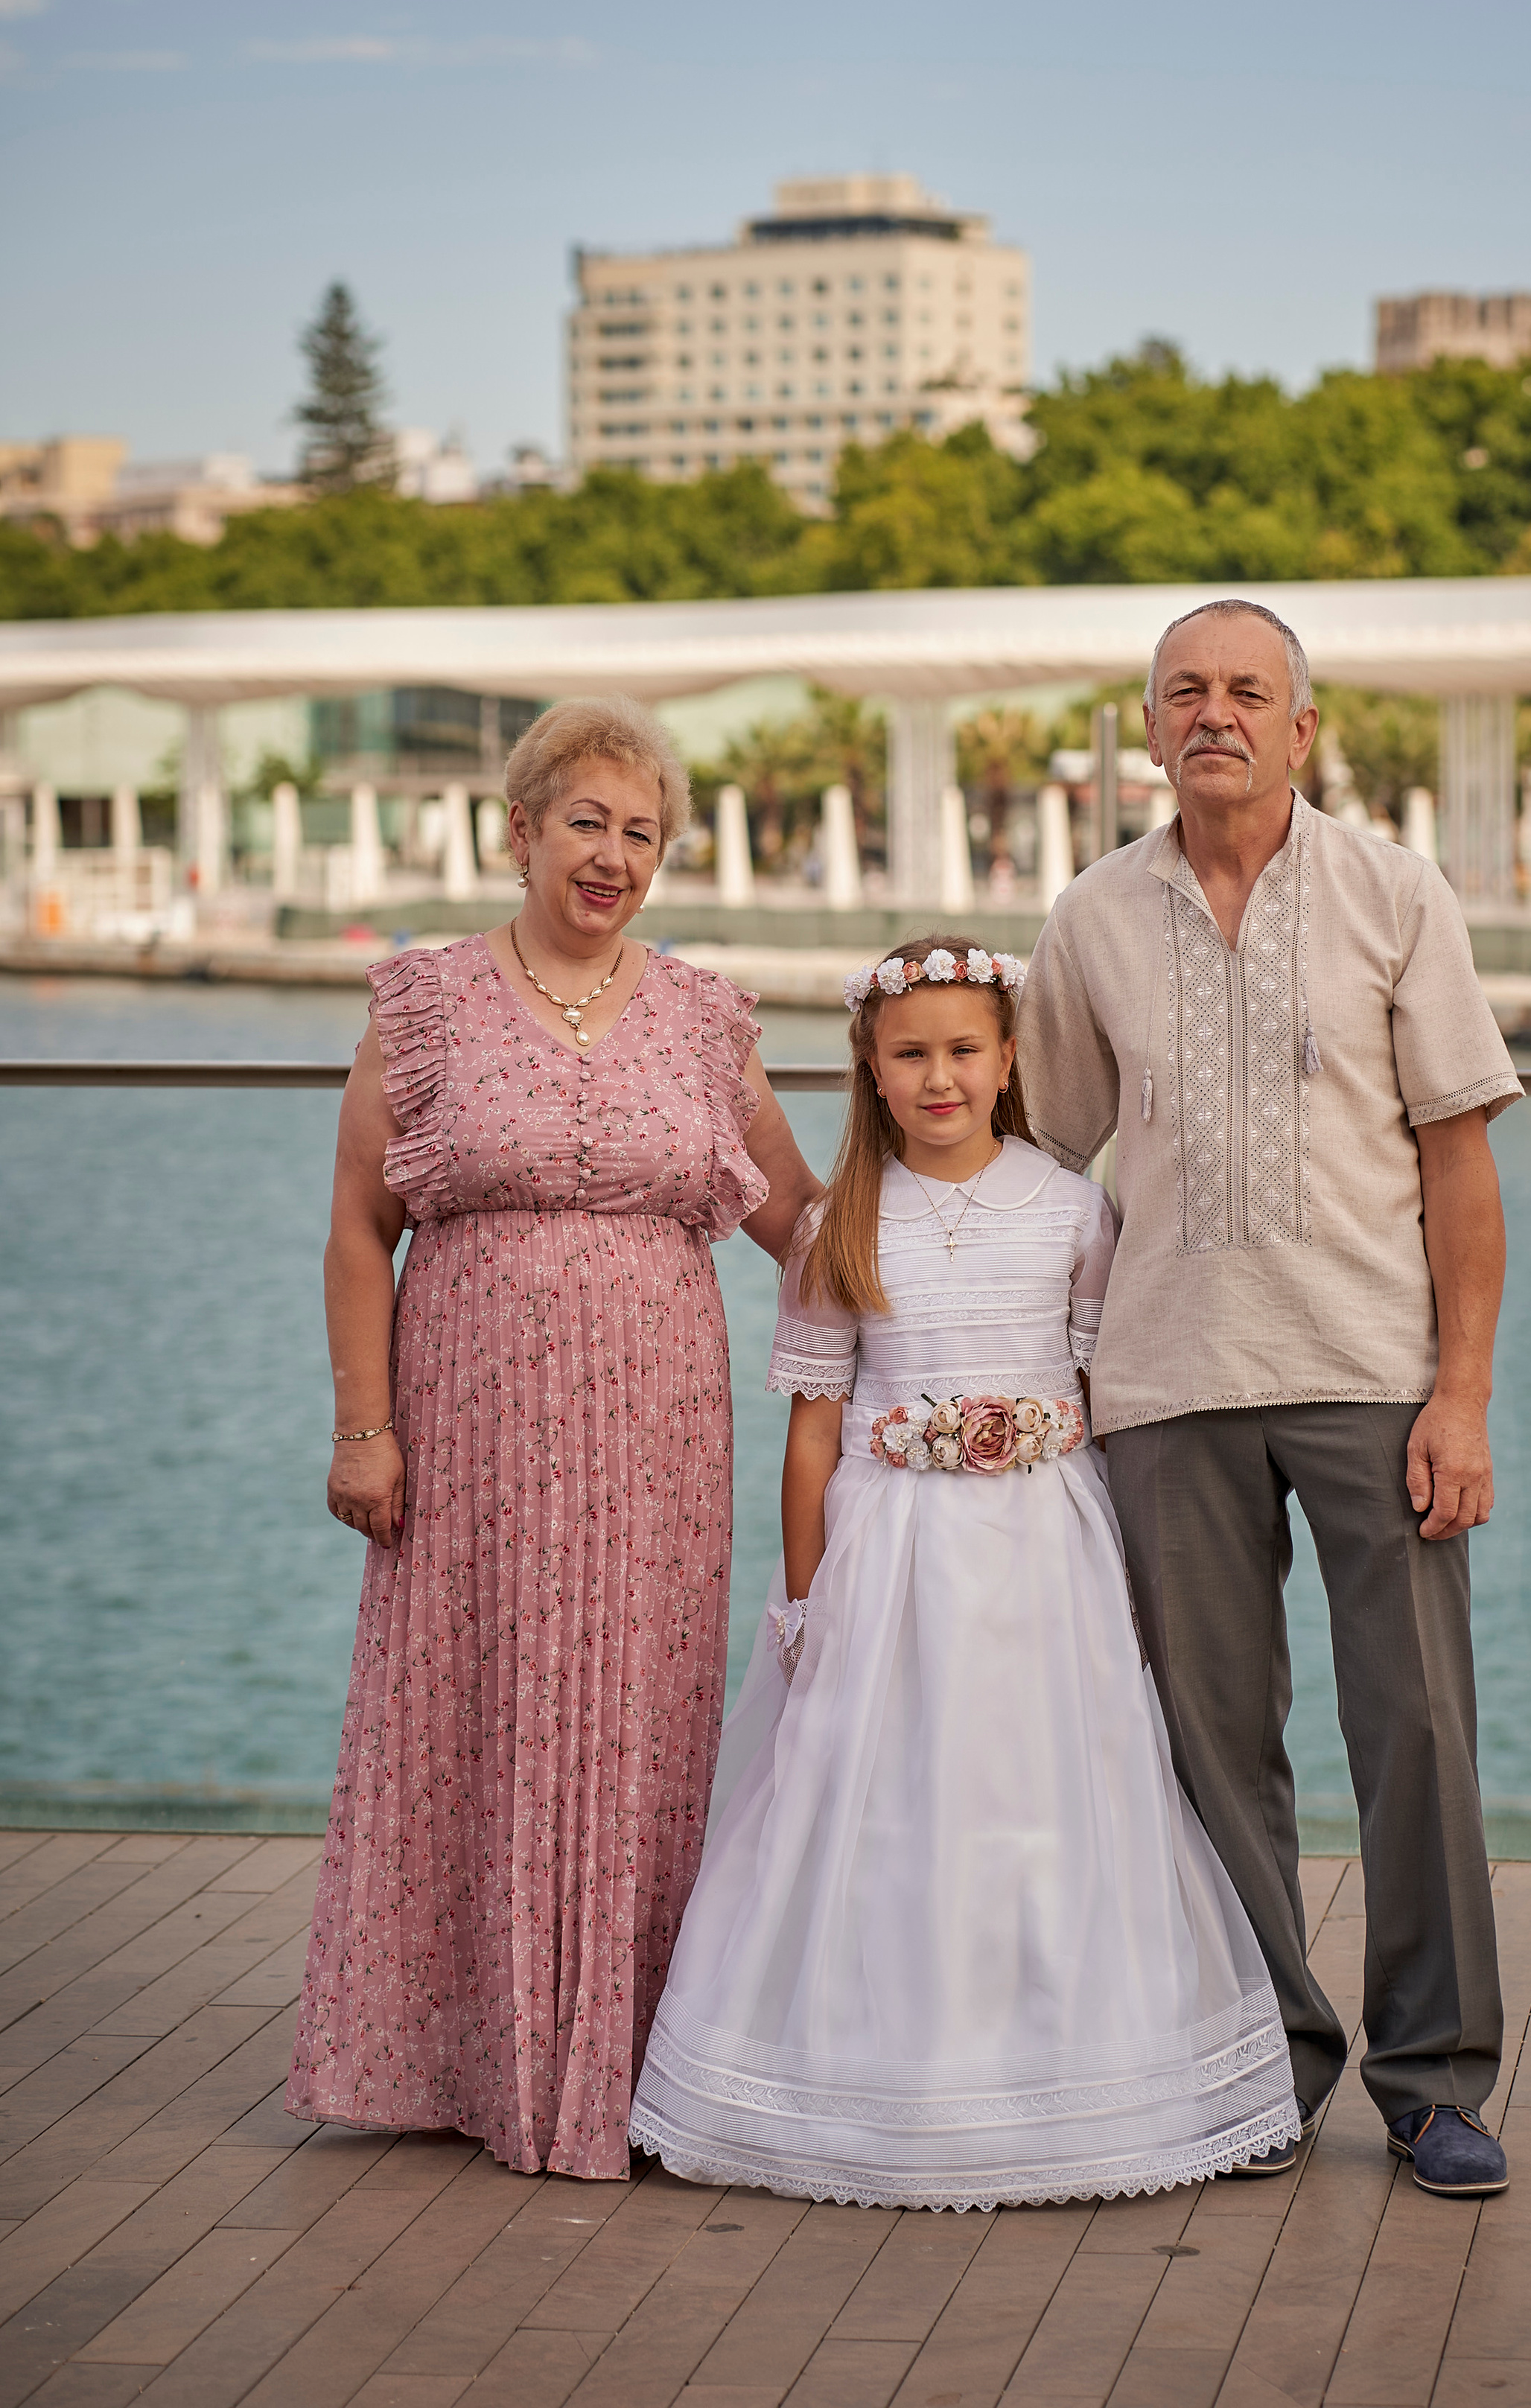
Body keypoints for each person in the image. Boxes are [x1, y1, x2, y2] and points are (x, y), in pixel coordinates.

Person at [629, 937, 1300, 2211]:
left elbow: (1102, 1397)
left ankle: (1074, 2070)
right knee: (884, 1792)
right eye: (911, 1056)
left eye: (964, 1052)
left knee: (1048, 1785)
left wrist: (1130, 1580)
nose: (940, 1078)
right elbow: (816, 1430)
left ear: (1006, 1064)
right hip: (894, 1556)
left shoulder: (1069, 1206)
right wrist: (808, 1596)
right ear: (873, 1074)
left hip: (1046, 1547)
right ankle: (865, 2084)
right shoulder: (841, 1226)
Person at [1013, 600, 1523, 2200]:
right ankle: (1261, 2064)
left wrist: (1461, 1395)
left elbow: (1457, 1162)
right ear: (1147, 729)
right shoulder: (1087, 918)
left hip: (1374, 1377)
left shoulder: (1391, 893)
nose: (1212, 713)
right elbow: (1040, 1162)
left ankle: (1431, 2078)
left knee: (1415, 1731)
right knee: (1209, 1742)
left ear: (1301, 730)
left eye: (1247, 691)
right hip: (1161, 1382)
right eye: (1184, 692)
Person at [287, 698, 818, 2180]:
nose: (612, 856)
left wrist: (992, 1245)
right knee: (472, 1710)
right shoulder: (427, 1002)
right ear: (518, 829)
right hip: (468, 1423)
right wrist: (362, 1428)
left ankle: (630, 2056)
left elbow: (802, 1223)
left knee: (638, 1722)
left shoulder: (706, 1018)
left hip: (654, 1428)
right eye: (585, 821)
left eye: (641, 833)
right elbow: (355, 1231)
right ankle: (462, 2057)